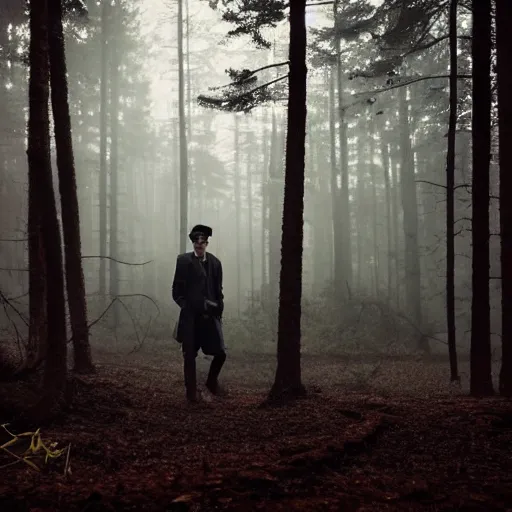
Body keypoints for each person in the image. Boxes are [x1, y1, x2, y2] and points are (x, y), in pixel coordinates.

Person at [172, 224, 226, 403]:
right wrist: (186, 306)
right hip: (190, 319)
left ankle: (211, 383)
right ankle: (191, 394)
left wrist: (219, 308)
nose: (199, 245)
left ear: (207, 243)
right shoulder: (183, 261)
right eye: (196, 242)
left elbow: (218, 291)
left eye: (202, 242)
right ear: (193, 243)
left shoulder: (216, 263)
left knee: (220, 353)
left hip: (209, 318)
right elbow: (176, 291)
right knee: (189, 355)